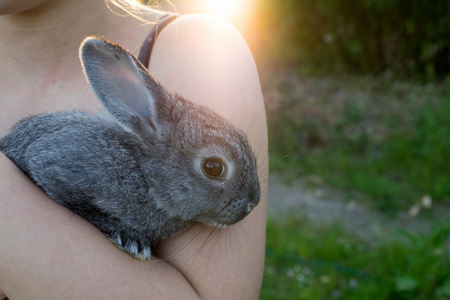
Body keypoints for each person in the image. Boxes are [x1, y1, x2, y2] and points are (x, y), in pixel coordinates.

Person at [0, 0, 268, 299]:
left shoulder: (197, 48)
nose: (251, 201)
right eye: (214, 168)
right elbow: (48, 163)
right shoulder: (108, 166)